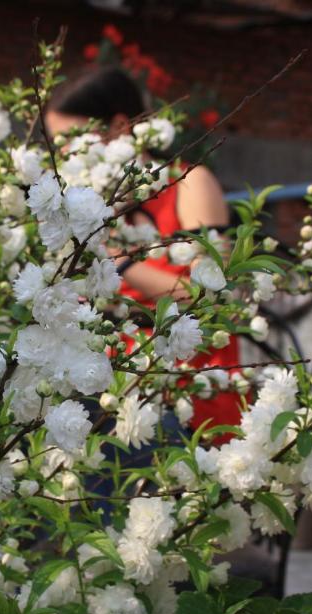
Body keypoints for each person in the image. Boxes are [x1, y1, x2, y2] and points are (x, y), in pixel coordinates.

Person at [46, 66, 243, 438]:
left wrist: (114, 260)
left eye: (72, 141)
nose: (64, 155)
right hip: (107, 386)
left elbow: (208, 298)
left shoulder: (188, 184)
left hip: (181, 387)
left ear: (120, 127)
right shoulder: (95, 203)